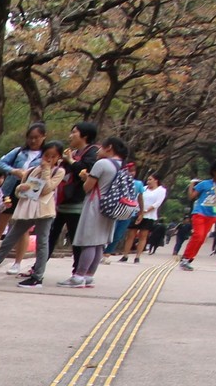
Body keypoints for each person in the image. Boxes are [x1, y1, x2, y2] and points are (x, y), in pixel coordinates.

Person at [0, 140, 66, 288]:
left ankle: (37, 276)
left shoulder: (59, 171)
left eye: (53, 156)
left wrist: (46, 170)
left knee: (42, 243)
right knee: (9, 240)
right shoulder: (31, 170)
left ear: (58, 158)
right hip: (27, 209)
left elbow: (47, 189)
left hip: (44, 211)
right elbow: (20, 190)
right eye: (46, 155)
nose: (49, 159)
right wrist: (22, 189)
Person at [59, 136, 129, 288]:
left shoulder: (102, 163)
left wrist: (85, 177)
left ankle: (79, 276)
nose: (98, 150)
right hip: (111, 207)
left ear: (109, 147)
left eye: (101, 147)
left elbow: (88, 187)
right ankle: (89, 276)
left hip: (96, 205)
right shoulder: (121, 165)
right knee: (99, 243)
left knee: (89, 242)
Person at [0, 122, 46, 272]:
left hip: (29, 193)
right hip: (10, 191)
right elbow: (0, 164)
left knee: (23, 229)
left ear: (43, 137)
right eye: (30, 138)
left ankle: (17, 262)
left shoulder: (45, 155)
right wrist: (14, 171)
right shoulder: (18, 152)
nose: (33, 141)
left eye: (36, 138)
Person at [51, 122, 101, 266]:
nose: (70, 136)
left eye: (74, 132)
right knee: (51, 235)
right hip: (64, 200)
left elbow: (85, 171)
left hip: (78, 202)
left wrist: (70, 161)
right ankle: (37, 269)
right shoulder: (74, 152)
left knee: (76, 237)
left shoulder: (93, 152)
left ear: (85, 136)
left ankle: (78, 271)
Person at [180, 159, 216, 271]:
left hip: (212, 215)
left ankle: (189, 258)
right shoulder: (204, 184)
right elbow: (192, 197)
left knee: (201, 239)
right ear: (214, 171)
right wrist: (192, 184)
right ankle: (185, 258)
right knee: (198, 235)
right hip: (199, 213)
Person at [120, 172, 167, 263]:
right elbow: (137, 198)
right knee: (131, 234)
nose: (148, 181)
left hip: (148, 215)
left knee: (143, 235)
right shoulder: (144, 189)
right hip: (137, 213)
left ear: (156, 180)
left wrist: (145, 212)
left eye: (150, 179)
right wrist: (139, 211)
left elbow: (157, 203)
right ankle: (125, 255)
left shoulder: (161, 190)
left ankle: (137, 256)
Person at [103, 162, 145, 262]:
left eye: (133, 171)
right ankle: (100, 250)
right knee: (107, 231)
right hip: (114, 209)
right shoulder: (117, 180)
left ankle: (107, 254)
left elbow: (140, 198)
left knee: (118, 234)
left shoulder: (138, 184)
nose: (132, 173)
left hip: (128, 212)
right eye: (129, 171)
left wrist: (141, 212)